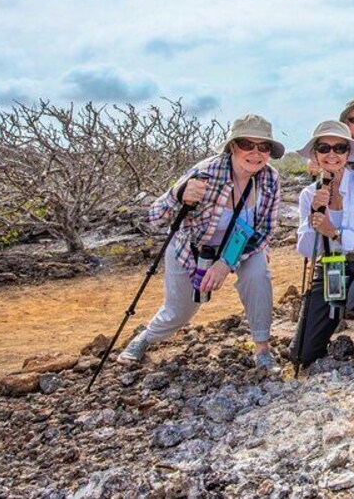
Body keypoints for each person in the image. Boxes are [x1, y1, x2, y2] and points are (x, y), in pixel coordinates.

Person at [117, 114, 283, 370]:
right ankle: (145, 337)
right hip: (192, 248)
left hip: (242, 247)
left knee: (259, 275)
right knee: (181, 311)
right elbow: (154, 217)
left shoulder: (270, 179)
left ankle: (262, 350)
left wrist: (226, 263)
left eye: (263, 146)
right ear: (233, 147)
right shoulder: (206, 172)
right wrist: (178, 194)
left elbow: (265, 229)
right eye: (247, 145)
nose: (255, 153)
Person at [290, 120, 354, 368]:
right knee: (302, 355)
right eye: (324, 148)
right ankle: (333, 320)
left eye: (339, 148)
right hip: (330, 268)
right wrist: (314, 213)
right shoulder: (308, 194)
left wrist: (334, 232)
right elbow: (306, 250)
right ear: (315, 154)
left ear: (348, 154)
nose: (332, 154)